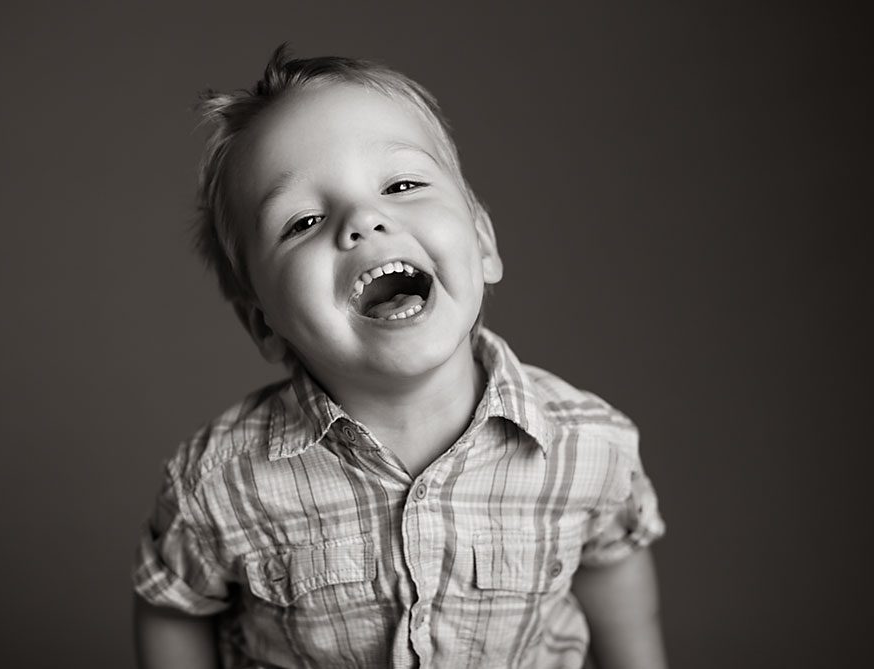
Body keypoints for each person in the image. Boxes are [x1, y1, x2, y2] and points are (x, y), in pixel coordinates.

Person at [133, 45, 667, 669]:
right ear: (263, 322)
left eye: (403, 185)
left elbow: (616, 583)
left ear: (484, 241)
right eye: (302, 221)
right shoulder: (220, 481)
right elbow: (174, 605)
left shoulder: (588, 445)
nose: (364, 219)